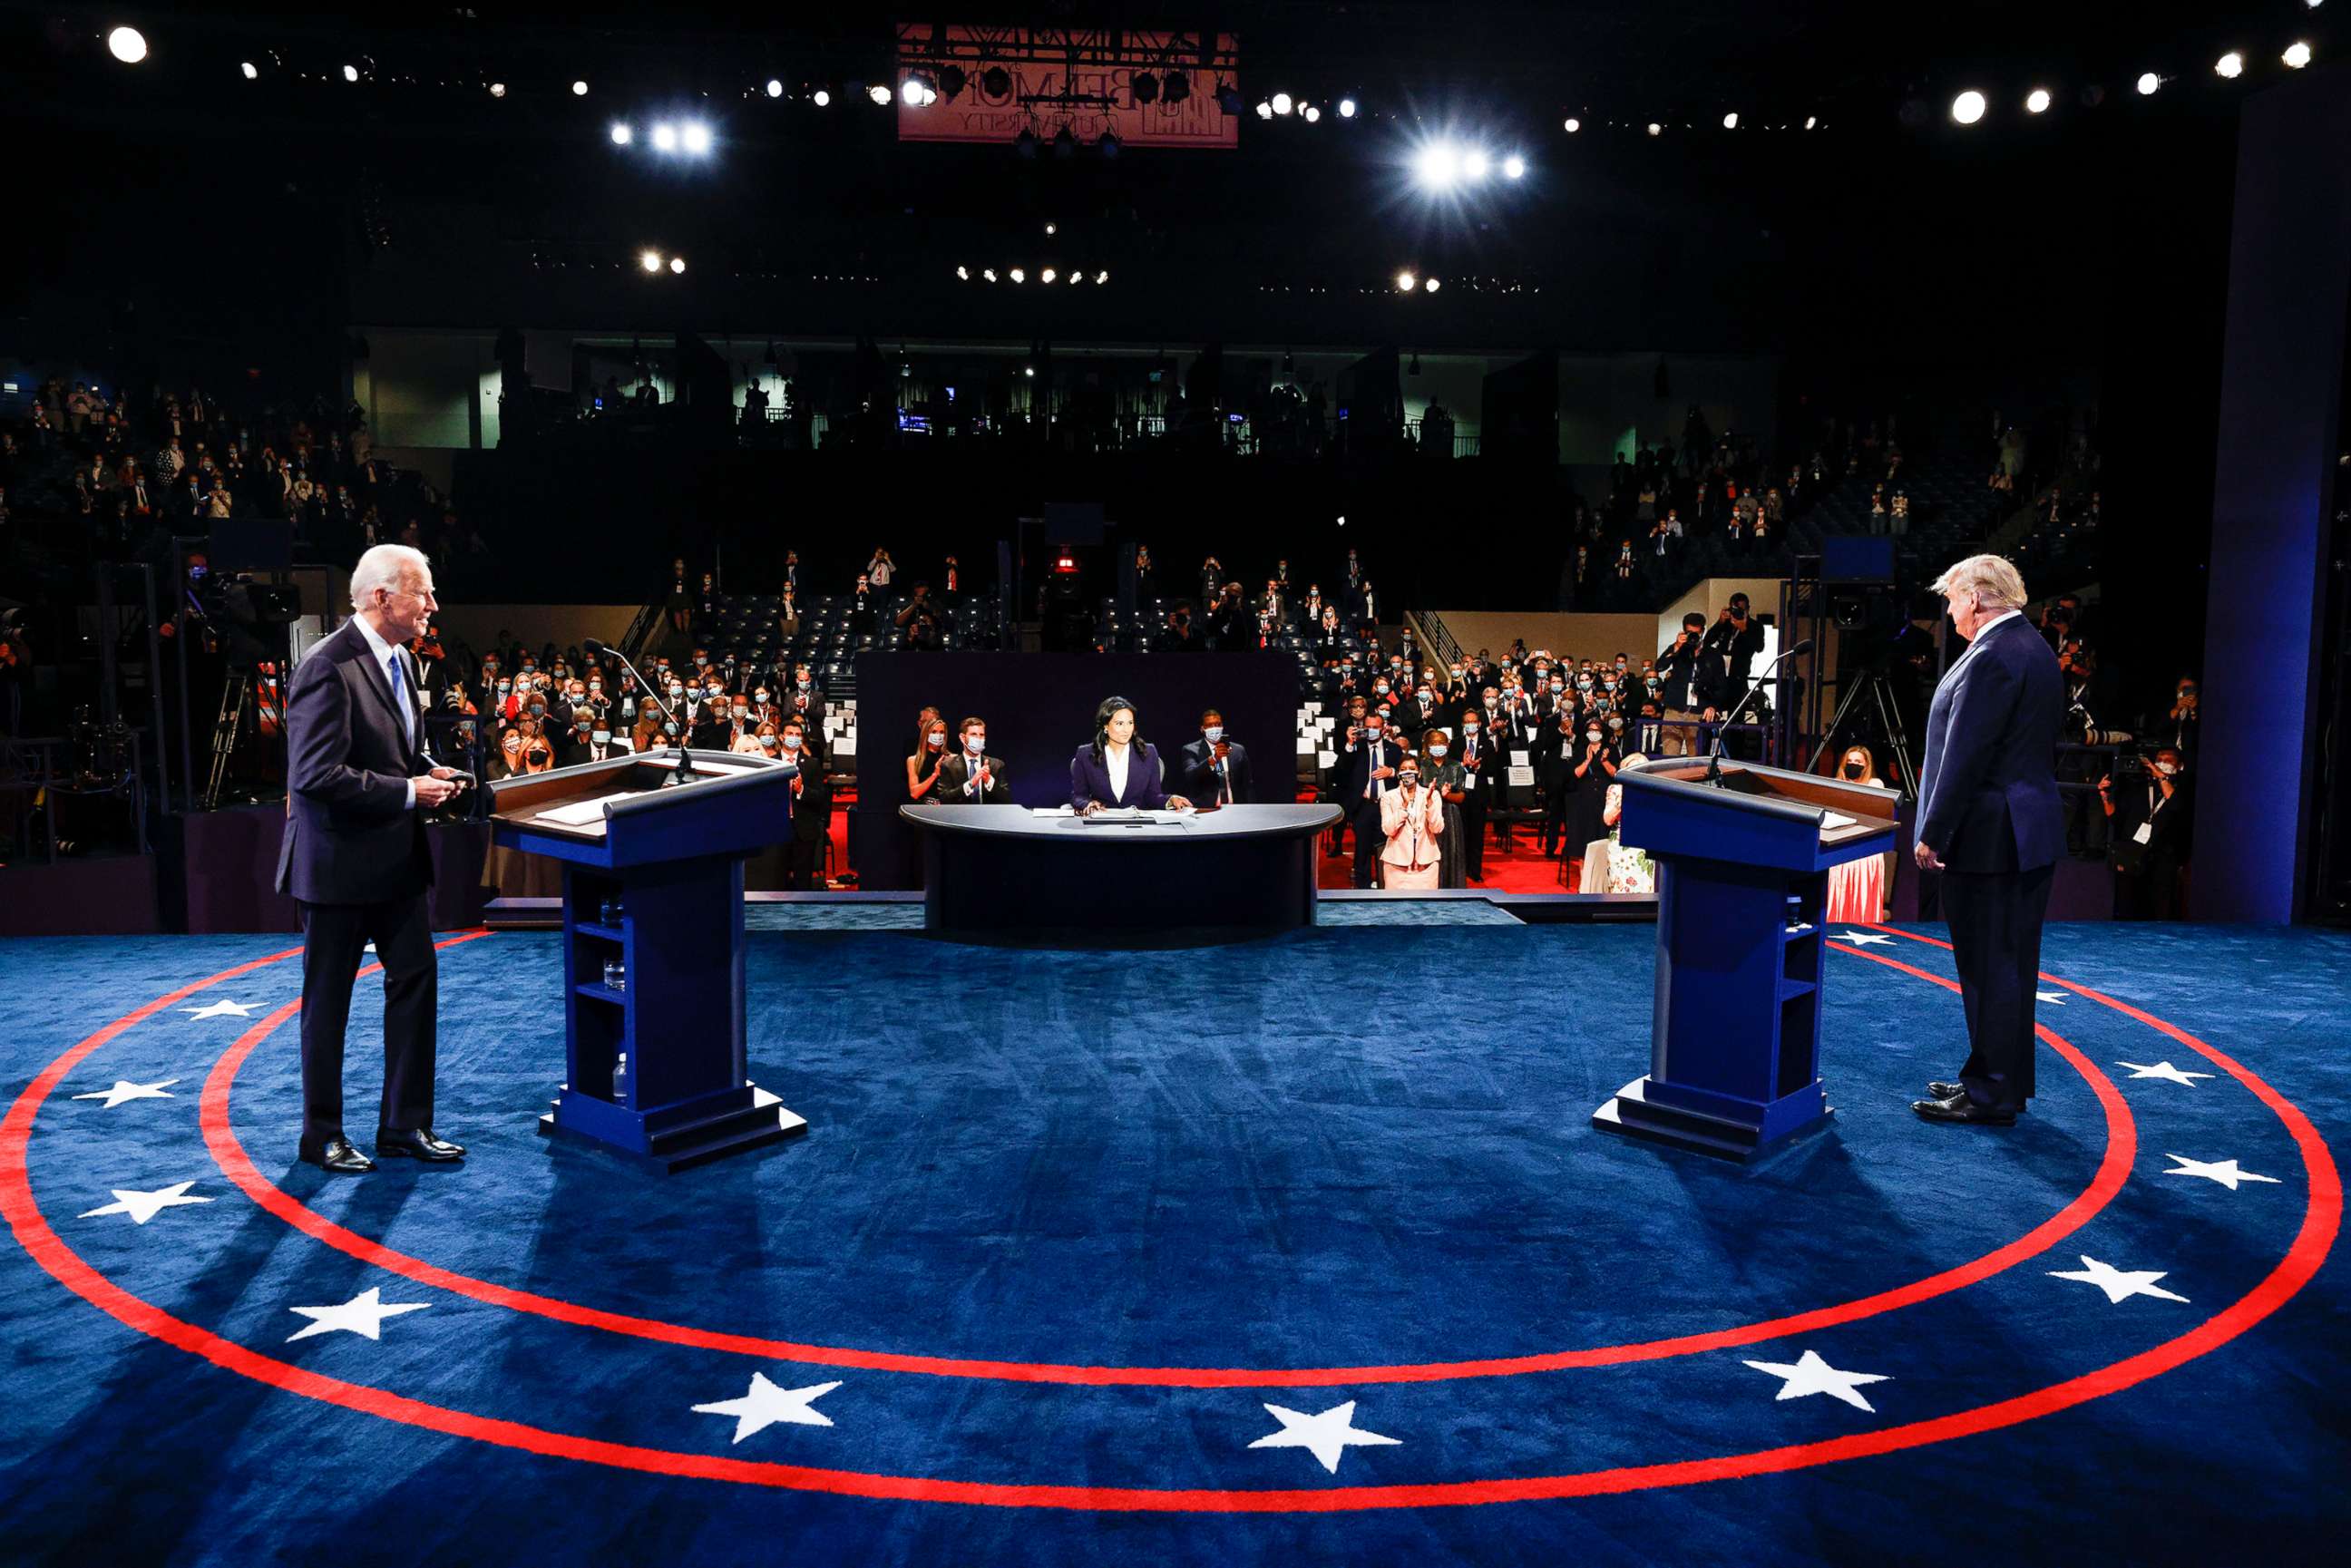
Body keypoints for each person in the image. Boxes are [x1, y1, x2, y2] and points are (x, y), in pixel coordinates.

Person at [273, 543, 467, 1175]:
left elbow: (387, 753)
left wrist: (421, 769)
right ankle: (321, 1134)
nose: (432, 606)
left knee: (415, 981)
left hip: (395, 862)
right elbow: (315, 774)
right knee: (328, 1002)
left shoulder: (403, 663)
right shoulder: (326, 665)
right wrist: (410, 791)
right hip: (336, 866)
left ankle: (404, 1125)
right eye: (423, 593)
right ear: (383, 596)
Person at [1911, 554, 2063, 1126]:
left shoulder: (1994, 656)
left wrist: (1933, 830)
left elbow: (1965, 756)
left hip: (1992, 838)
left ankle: (1990, 1093)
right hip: (2023, 830)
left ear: (1975, 598)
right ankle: (1999, 1081)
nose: (1949, 611)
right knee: (2009, 965)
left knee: (1991, 966)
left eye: (1951, 599)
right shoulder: (2034, 647)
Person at [1069, 696, 1193, 813]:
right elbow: (1078, 796)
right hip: (1102, 821)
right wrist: (1088, 803)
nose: (1126, 729)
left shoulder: (1148, 752)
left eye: (1130, 723)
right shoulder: (1085, 754)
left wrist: (1170, 800)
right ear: (1105, 726)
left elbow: (1153, 796)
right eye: (1119, 724)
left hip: (1138, 825)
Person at [1338, 706, 1404, 888]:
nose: (1371, 730)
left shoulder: (1395, 750)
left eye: (1375, 726)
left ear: (1383, 728)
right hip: (1364, 805)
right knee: (1362, 850)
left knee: (1386, 848)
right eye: (1368, 727)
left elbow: (1407, 773)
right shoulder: (1356, 748)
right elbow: (1340, 772)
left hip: (1387, 806)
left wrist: (1391, 772)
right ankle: (1362, 888)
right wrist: (1349, 744)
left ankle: (1386, 885)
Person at [1377, 752, 1445, 890]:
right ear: (1398, 774)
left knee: (1426, 909)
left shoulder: (1432, 794)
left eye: (1412, 769)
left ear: (1419, 773)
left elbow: (1437, 828)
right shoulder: (1388, 797)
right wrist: (1404, 805)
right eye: (1403, 770)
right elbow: (1389, 830)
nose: (1408, 772)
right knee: (1397, 909)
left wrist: (1429, 802)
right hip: (1396, 866)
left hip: (1426, 866)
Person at [776, 716, 830, 890]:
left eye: (798, 734)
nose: (794, 737)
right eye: (790, 734)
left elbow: (821, 797)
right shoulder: (771, 762)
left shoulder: (812, 764)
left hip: (804, 829)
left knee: (802, 881)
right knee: (777, 878)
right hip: (777, 828)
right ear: (781, 737)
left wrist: (801, 790)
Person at [1178, 708, 1253, 807]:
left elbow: (1247, 784)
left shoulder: (1238, 750)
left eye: (1218, 724)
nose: (1215, 728)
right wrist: (1213, 759)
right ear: (1202, 729)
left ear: (1222, 726)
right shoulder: (1190, 750)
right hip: (1206, 810)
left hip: (1236, 809)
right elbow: (1191, 775)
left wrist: (1251, 807)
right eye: (1209, 725)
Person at [938, 716, 1010, 803]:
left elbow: (1006, 799)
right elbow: (944, 799)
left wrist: (989, 780)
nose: (978, 739)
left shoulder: (996, 765)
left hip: (988, 815)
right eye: (974, 734)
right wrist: (971, 783)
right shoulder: (948, 765)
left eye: (981, 735)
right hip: (960, 815)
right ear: (962, 738)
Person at [906, 706, 950, 803]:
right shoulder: (913, 760)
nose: (938, 736)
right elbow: (914, 793)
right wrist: (935, 774)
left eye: (941, 732)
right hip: (923, 810)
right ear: (926, 733)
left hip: (947, 810)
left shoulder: (952, 759)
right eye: (934, 732)